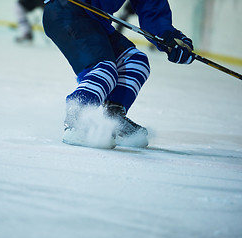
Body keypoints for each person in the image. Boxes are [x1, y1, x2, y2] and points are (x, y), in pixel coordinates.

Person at [42, 0, 194, 148]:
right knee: (103, 69)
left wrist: (170, 38)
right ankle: (76, 119)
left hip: (97, 20)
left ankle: (113, 120)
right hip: (67, 10)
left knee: (135, 62)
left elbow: (151, 7)